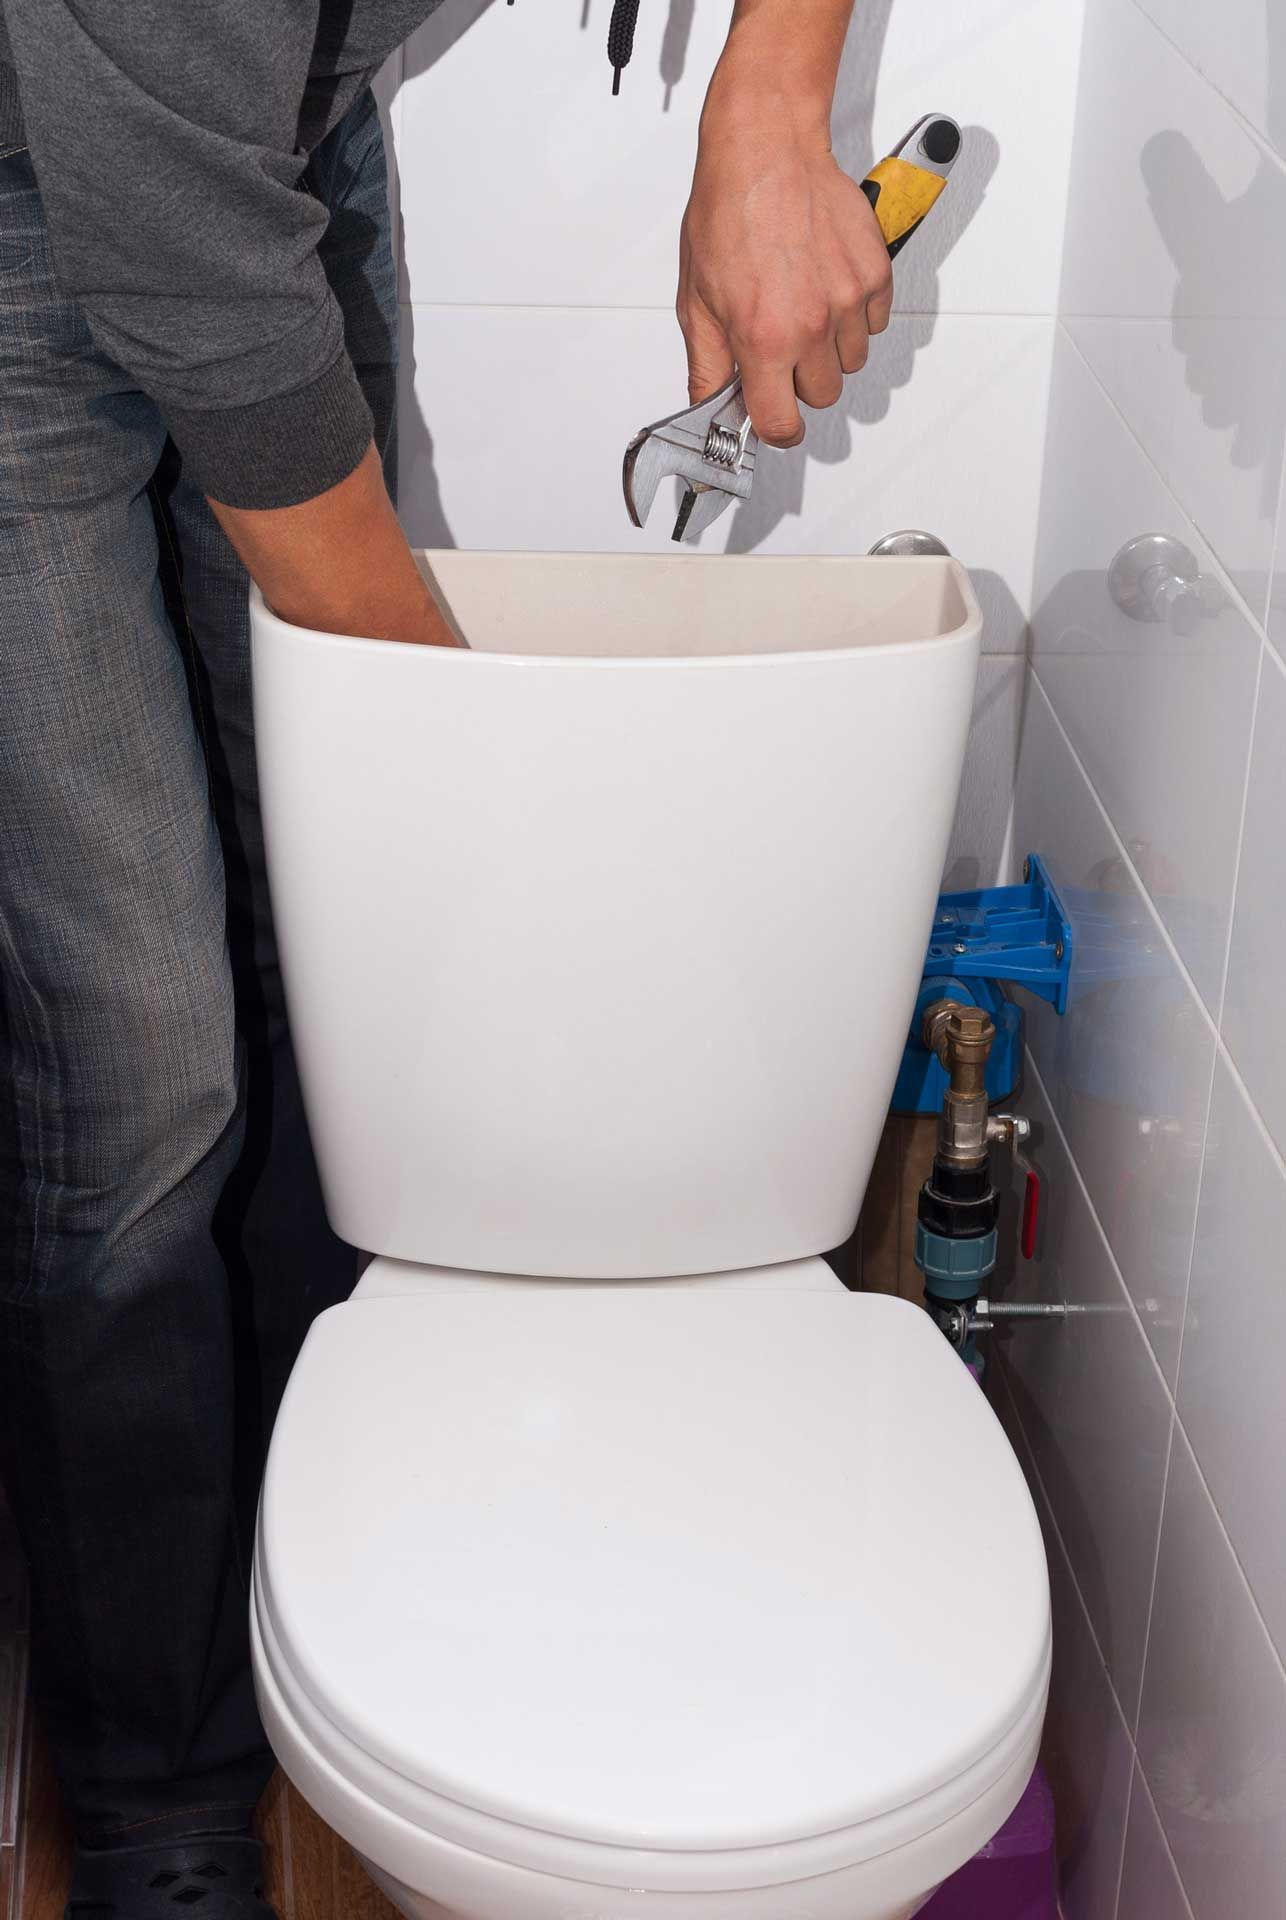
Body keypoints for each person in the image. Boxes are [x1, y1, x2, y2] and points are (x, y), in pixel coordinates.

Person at [0, 2, 894, 1913]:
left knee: (311, 952)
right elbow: (175, 254)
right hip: (59, 193)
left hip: (259, 136)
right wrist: (473, 795)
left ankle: (337, 1541)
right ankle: (161, 1790)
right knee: (146, 1051)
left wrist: (772, 94)